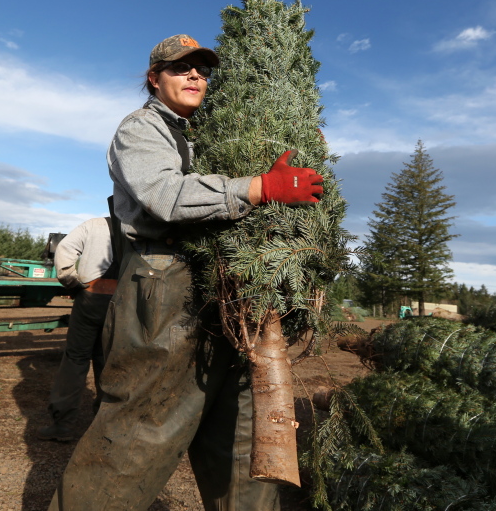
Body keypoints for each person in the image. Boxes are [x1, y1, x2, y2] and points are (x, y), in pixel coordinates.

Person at [48, 34, 323, 511]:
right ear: (154, 79)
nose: (195, 75)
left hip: (227, 287)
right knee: (142, 426)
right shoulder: (140, 129)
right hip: (163, 278)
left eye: (202, 69)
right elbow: (166, 196)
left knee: (239, 436)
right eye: (181, 68)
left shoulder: (208, 136)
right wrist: (259, 186)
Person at [38, 217, 116, 442]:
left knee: (75, 359)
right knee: (108, 361)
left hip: (90, 298)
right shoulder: (137, 227)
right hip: (121, 303)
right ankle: (104, 426)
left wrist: (70, 280)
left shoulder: (95, 225)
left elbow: (65, 247)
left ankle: (63, 425)